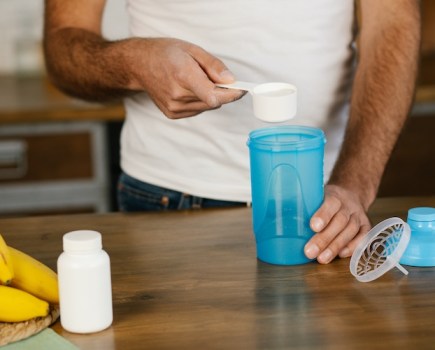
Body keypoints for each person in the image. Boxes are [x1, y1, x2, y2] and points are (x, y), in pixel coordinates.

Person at [42, 0, 420, 264]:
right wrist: (134, 64)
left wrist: (355, 183)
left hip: (326, 204)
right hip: (169, 199)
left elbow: (393, 23)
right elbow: (63, 44)